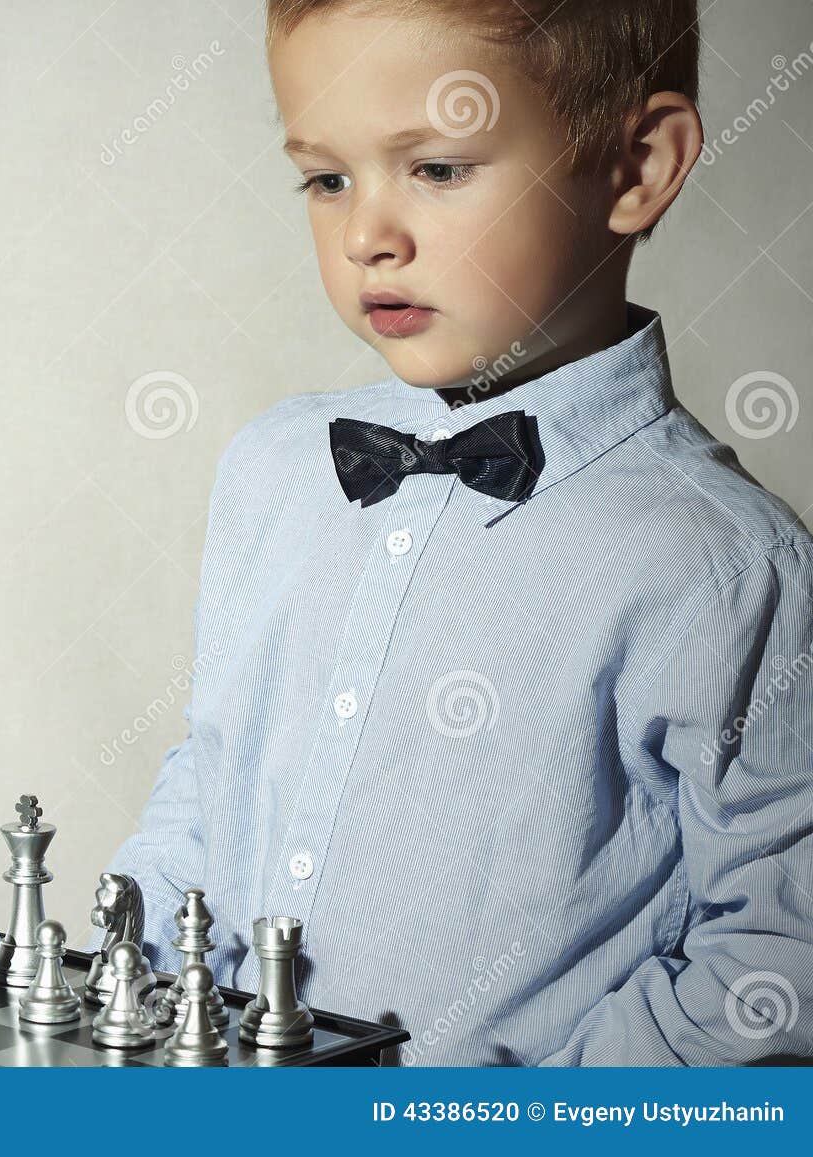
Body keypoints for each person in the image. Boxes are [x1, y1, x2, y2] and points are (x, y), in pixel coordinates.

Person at [105, 0, 813, 1065]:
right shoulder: (272, 469)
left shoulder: (720, 563)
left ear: (636, 166)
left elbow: (777, 955)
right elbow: (212, 776)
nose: (363, 235)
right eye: (326, 177)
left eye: (435, 168)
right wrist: (121, 999)